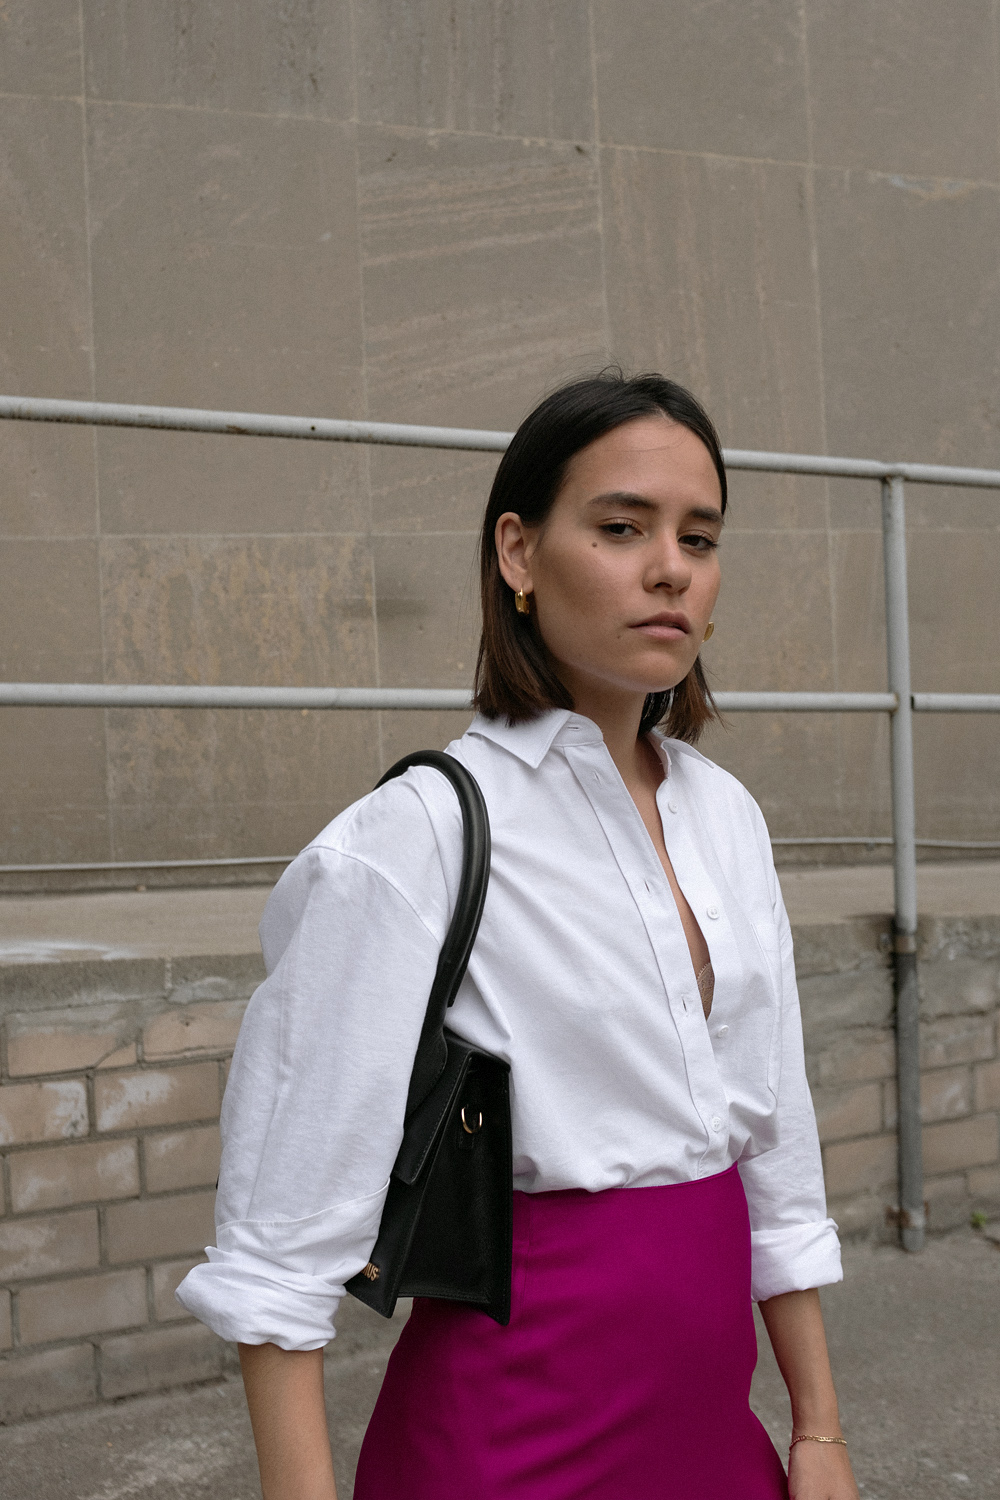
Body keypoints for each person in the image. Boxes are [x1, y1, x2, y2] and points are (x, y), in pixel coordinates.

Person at [178, 372, 860, 1500]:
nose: (669, 568)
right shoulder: (413, 841)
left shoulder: (724, 816)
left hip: (710, 1437)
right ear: (517, 552)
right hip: (509, 1444)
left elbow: (775, 1157)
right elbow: (278, 1255)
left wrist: (817, 1430)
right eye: (620, 526)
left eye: (699, 536)